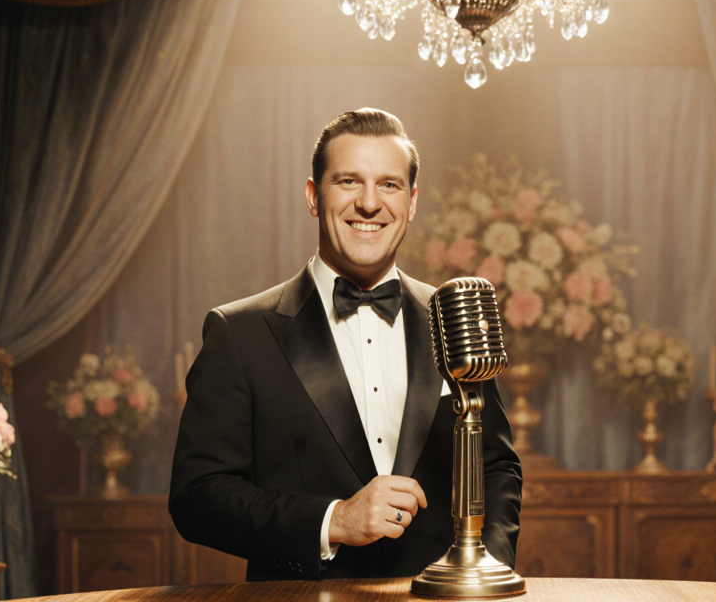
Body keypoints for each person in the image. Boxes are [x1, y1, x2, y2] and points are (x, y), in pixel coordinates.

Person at [169, 108, 522, 581]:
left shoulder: (453, 316)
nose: (370, 203)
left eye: (390, 185)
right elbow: (198, 496)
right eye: (349, 182)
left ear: (412, 202)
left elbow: (496, 468)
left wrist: (487, 570)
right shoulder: (239, 333)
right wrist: (334, 520)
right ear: (314, 195)